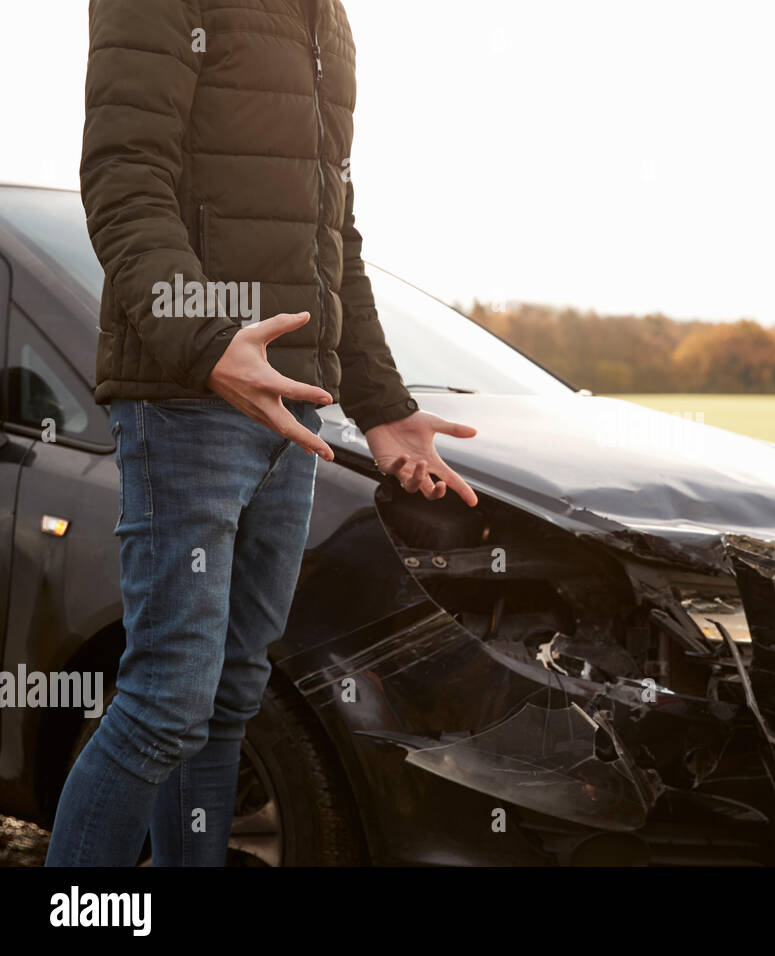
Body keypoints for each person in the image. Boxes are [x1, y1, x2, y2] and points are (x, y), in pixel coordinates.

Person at [46, 0, 478, 866]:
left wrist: (382, 404)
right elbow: (123, 177)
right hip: (187, 399)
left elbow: (331, 239)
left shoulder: (326, 20)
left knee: (231, 693)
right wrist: (207, 341)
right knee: (168, 699)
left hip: (293, 407)